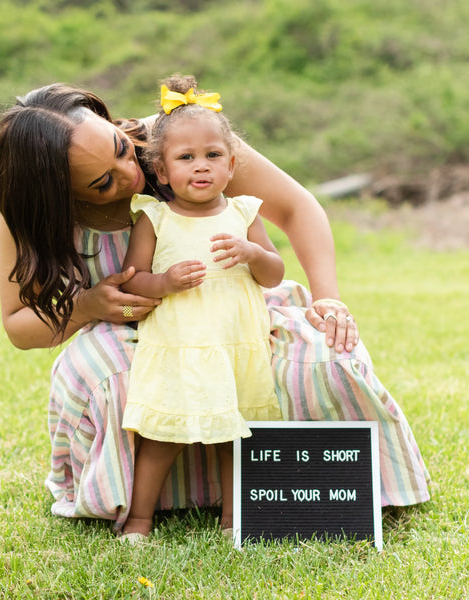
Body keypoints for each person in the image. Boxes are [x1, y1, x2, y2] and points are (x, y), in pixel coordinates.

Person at [0, 76, 430, 533]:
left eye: (122, 149)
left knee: (321, 358)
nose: (131, 174)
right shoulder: (33, 213)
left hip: (234, 310)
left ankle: (329, 488)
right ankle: (138, 505)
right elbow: (18, 326)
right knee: (118, 383)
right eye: (103, 182)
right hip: (138, 329)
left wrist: (328, 299)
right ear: (57, 193)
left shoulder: (184, 139)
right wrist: (87, 305)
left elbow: (298, 208)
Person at [118, 76, 284, 541]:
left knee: (237, 436)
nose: (201, 167)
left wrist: (253, 254)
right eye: (186, 158)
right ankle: (139, 520)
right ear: (163, 170)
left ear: (232, 165)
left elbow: (274, 273)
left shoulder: (244, 213)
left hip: (235, 343)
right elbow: (136, 281)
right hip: (177, 342)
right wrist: (166, 281)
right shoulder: (155, 217)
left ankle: (236, 520)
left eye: (213, 156)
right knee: (160, 437)